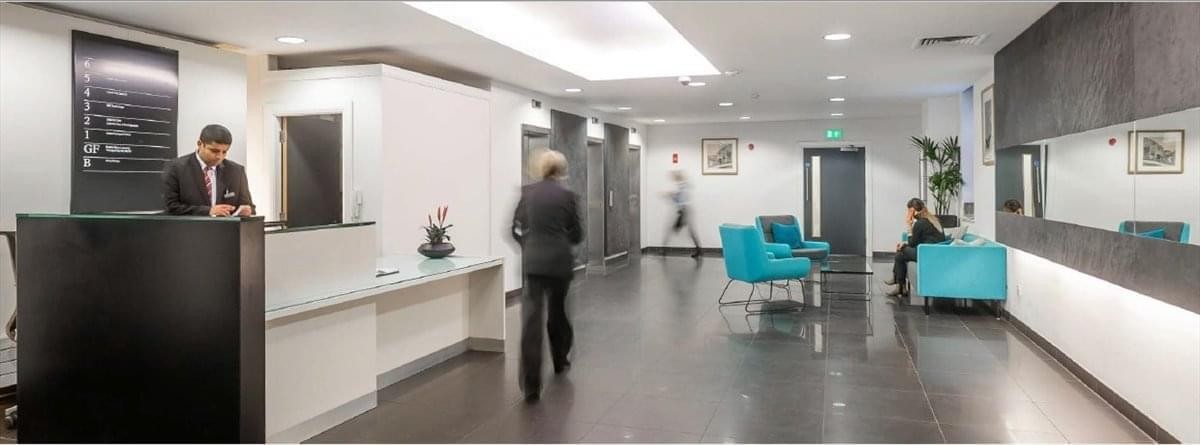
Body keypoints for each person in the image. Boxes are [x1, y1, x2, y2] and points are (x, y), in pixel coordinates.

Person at [510, 149, 582, 402]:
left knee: (531, 321)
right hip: (560, 262)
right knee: (558, 311)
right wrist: (564, 241)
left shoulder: (527, 193)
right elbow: (577, 233)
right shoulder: (567, 195)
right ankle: (560, 358)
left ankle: (531, 385)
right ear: (560, 169)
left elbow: (514, 228)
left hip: (534, 263)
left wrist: (527, 245)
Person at [162, 124, 254, 217]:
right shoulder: (176, 168)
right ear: (200, 144)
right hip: (188, 230)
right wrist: (208, 211)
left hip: (226, 230)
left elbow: (249, 206)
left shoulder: (236, 171)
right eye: (214, 151)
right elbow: (171, 207)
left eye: (224, 152)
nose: (219, 157)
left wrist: (247, 210)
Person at [884, 198, 946, 297]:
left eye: (908, 210)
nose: (907, 213)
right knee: (901, 252)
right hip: (933, 252)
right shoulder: (933, 220)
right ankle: (900, 287)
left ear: (912, 210)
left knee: (900, 252)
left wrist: (909, 224)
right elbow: (918, 241)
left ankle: (899, 283)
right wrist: (905, 244)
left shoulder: (920, 223)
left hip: (926, 254)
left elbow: (913, 243)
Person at [663, 170, 702, 258]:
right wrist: (672, 196)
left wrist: (671, 195)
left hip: (685, 211)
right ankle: (699, 250)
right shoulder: (682, 186)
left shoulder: (683, 186)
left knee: (674, 229)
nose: (673, 178)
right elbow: (679, 199)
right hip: (683, 211)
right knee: (684, 230)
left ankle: (663, 250)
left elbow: (680, 199)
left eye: (675, 176)